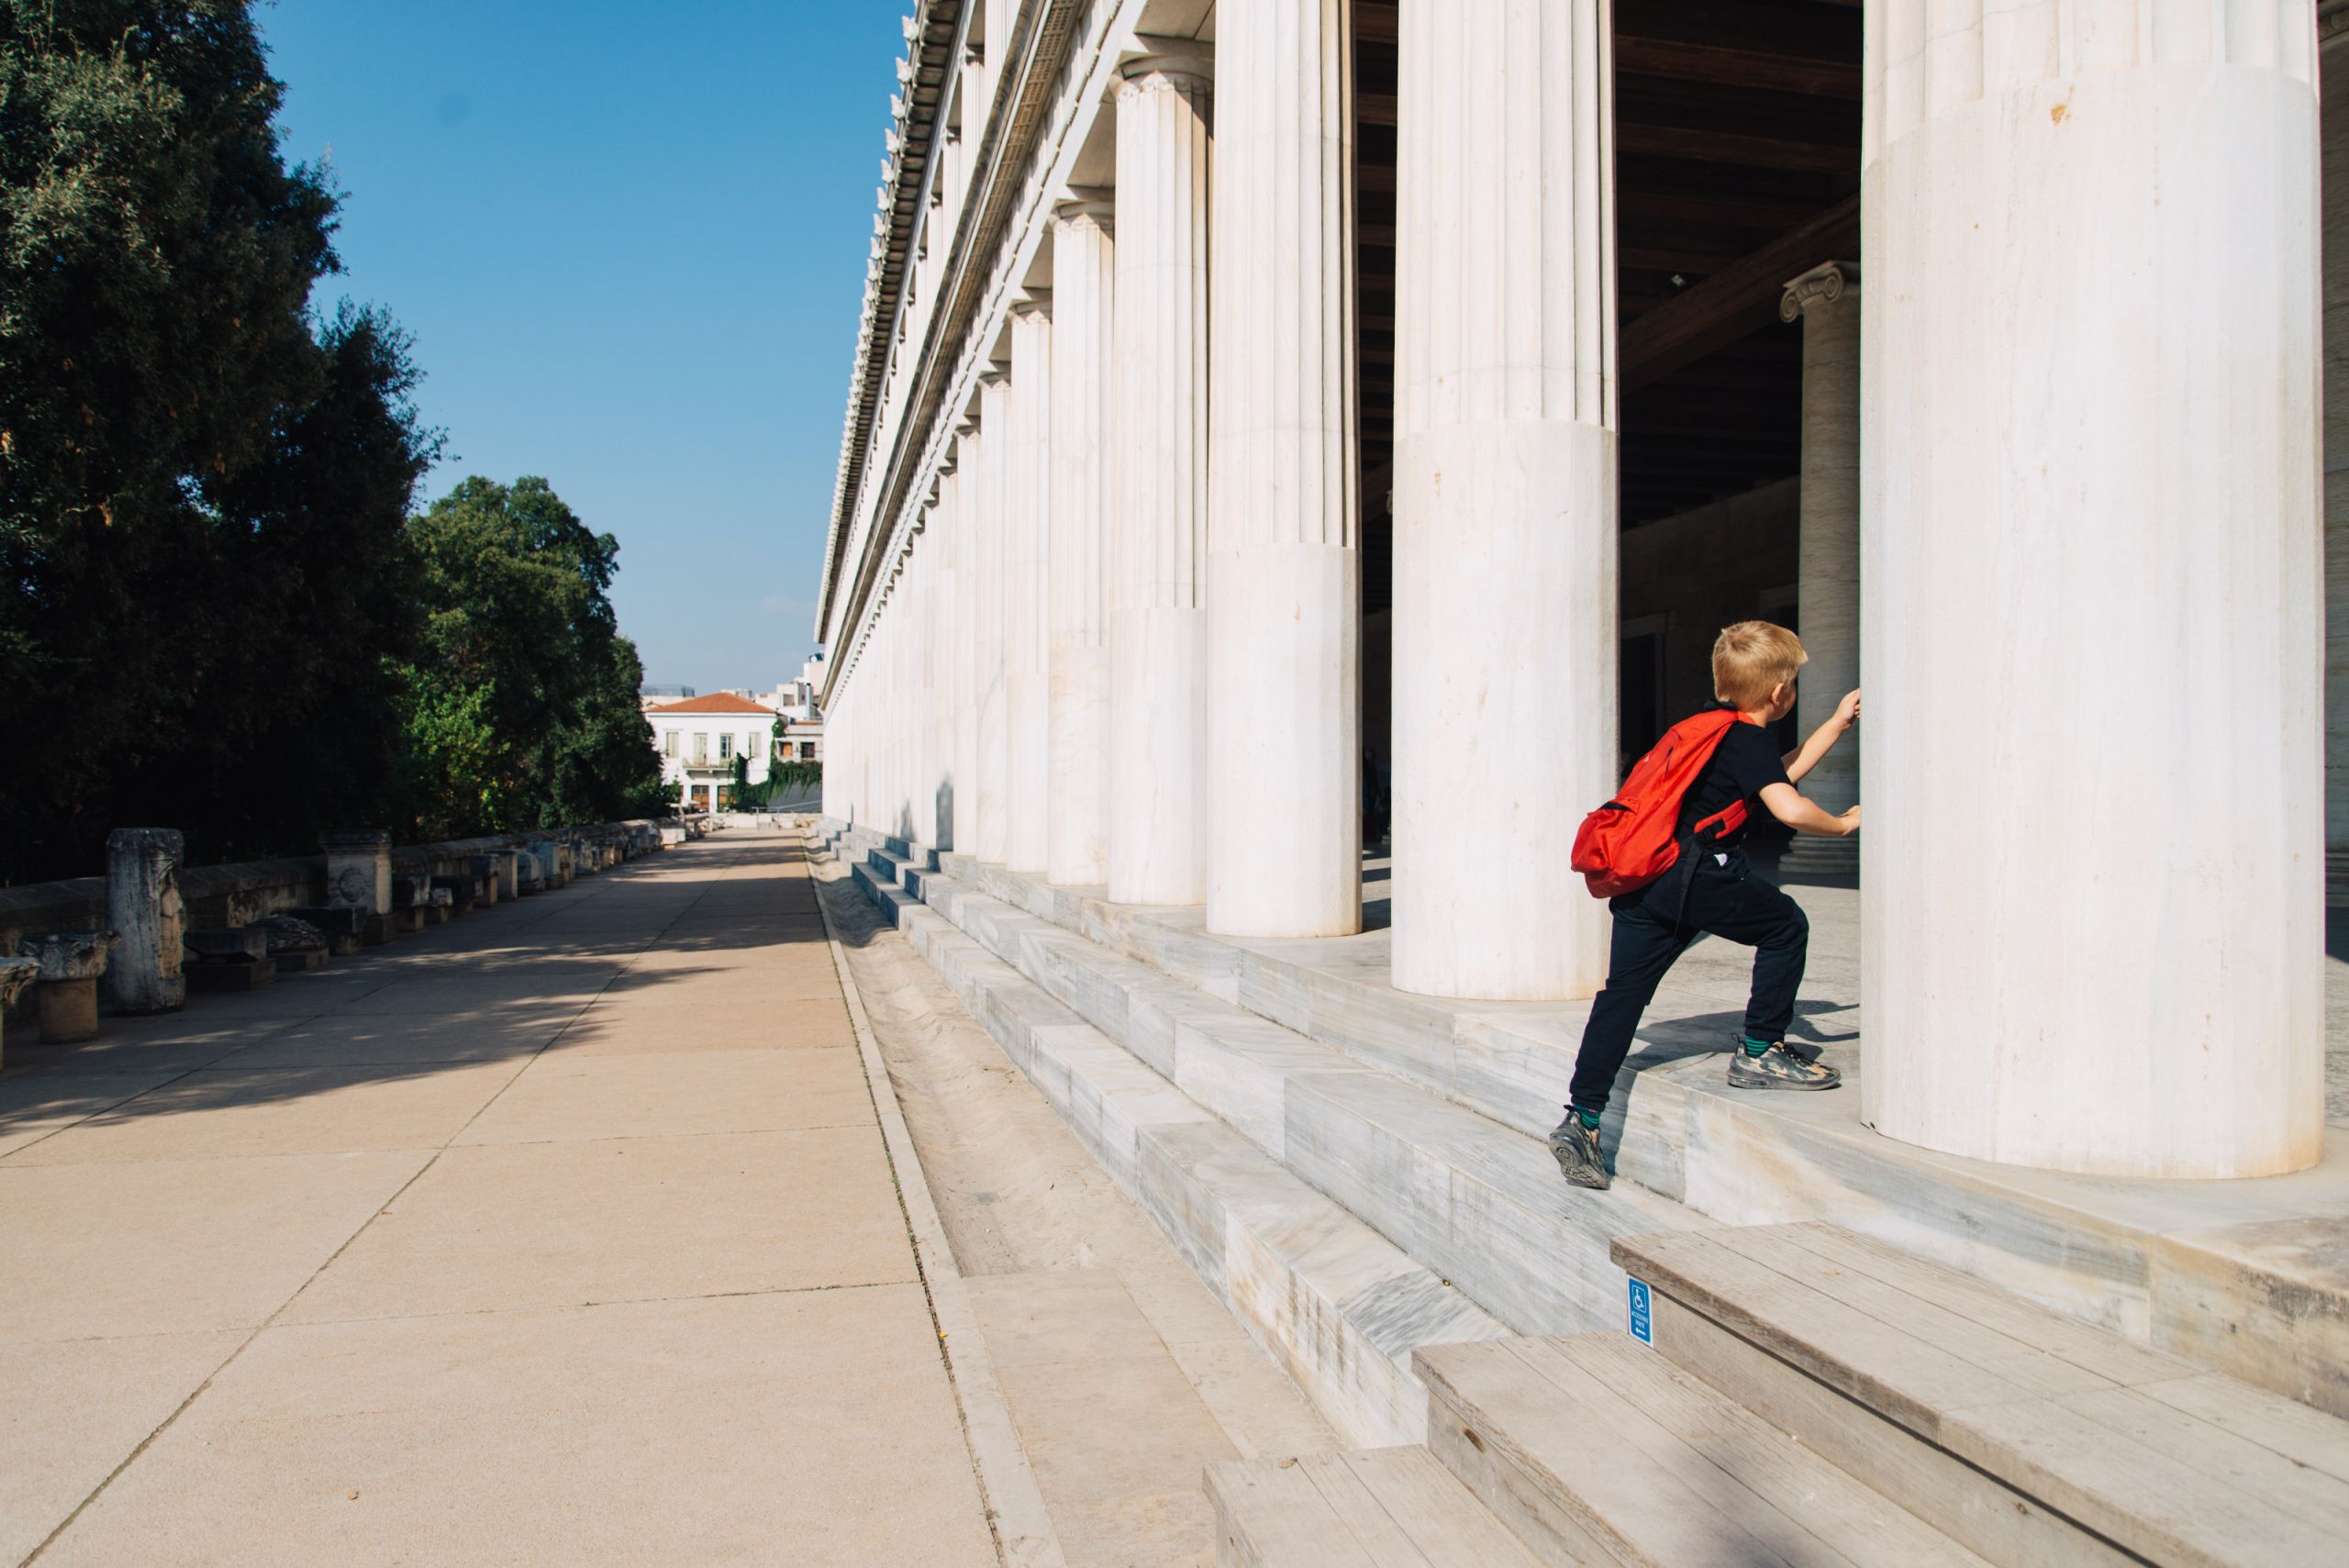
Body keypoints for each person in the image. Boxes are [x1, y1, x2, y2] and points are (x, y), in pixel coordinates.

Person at [1550, 621, 1860, 1191]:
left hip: (1647, 880)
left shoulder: (1709, 729)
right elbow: (1788, 808)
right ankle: (1761, 1051)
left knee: (1623, 996)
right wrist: (1840, 824)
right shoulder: (1746, 739)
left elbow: (1775, 777)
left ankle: (1583, 1119)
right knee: (1786, 926)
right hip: (1696, 875)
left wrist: (1837, 724)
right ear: (1779, 692)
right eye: (1794, 681)